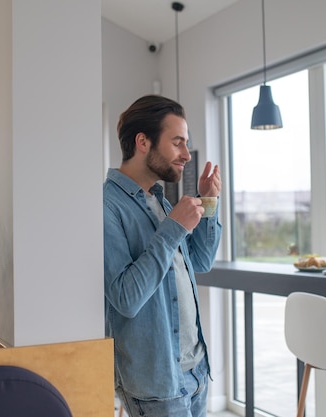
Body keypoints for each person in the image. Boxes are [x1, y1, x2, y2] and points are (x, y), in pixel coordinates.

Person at [103, 94, 222, 417]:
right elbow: (125, 297)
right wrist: (171, 229)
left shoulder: (160, 201)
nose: (186, 154)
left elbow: (200, 263)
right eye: (177, 142)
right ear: (143, 142)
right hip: (156, 383)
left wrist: (208, 204)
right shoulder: (106, 205)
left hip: (196, 368)